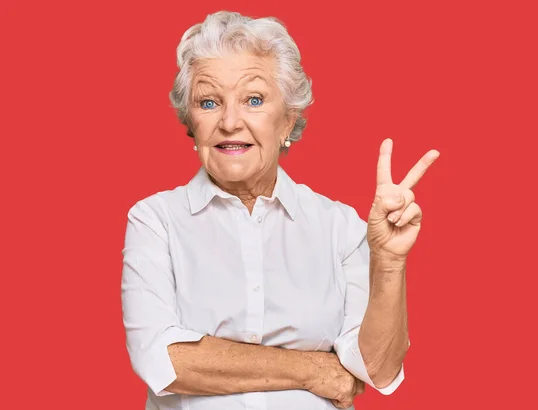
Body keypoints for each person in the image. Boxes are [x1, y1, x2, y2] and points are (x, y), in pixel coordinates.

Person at [121, 10, 440, 410]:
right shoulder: (155, 220)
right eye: (208, 102)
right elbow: (164, 360)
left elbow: (375, 369)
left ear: (288, 120)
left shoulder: (338, 226)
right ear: (192, 123)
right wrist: (315, 369)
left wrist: (390, 262)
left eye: (253, 99)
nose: (230, 121)